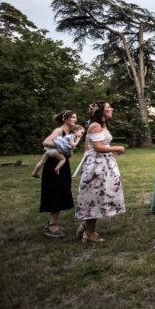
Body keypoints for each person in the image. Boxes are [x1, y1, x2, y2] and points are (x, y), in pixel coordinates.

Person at [75, 101, 126, 243]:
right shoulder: (95, 126)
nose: (112, 109)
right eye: (109, 107)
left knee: (100, 197)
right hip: (97, 167)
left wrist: (111, 152)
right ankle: (89, 234)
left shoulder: (101, 125)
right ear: (101, 111)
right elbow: (97, 147)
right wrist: (117, 148)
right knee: (94, 197)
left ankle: (86, 227)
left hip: (103, 164)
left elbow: (91, 147)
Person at [39, 110, 77, 237]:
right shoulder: (59, 130)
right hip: (54, 165)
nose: (75, 119)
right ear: (65, 119)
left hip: (63, 164)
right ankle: (52, 225)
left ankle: (52, 222)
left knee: (63, 192)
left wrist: (70, 149)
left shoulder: (69, 133)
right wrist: (63, 144)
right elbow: (46, 142)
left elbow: (68, 153)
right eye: (72, 117)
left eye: (75, 117)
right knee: (58, 192)